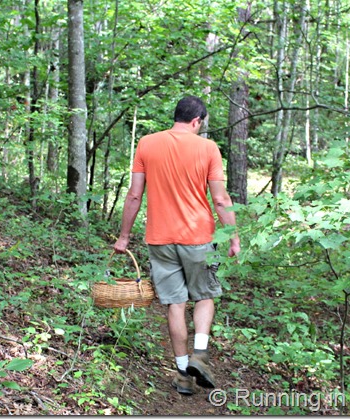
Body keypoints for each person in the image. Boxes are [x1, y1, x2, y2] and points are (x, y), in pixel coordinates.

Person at [113, 95, 241, 396]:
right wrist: (234, 237)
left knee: (174, 303)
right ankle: (200, 353)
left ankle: (183, 374)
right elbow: (221, 199)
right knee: (205, 295)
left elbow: (134, 195)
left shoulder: (147, 143)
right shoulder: (208, 148)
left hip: (160, 238)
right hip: (199, 237)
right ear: (196, 121)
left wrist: (124, 237)